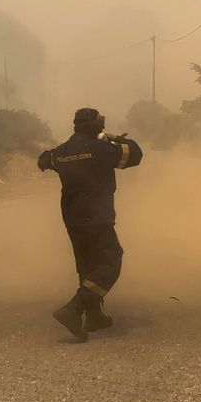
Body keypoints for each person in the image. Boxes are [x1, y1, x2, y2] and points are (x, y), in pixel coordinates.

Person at [38, 108, 143, 341]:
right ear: (97, 125)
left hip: (73, 217)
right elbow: (135, 154)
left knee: (87, 265)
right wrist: (114, 138)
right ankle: (74, 309)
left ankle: (94, 316)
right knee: (110, 262)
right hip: (97, 216)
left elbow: (44, 160)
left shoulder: (62, 151)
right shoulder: (100, 148)